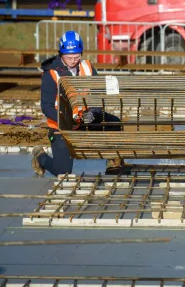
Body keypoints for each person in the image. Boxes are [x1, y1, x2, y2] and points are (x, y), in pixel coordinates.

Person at [32, 30, 126, 177]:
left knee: (114, 123)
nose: (73, 61)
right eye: (69, 57)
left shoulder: (87, 67)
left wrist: (93, 112)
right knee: (62, 171)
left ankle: (113, 161)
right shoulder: (51, 74)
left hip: (84, 120)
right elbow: (46, 106)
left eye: (76, 57)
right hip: (60, 126)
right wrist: (65, 120)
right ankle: (40, 157)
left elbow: (97, 94)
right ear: (61, 54)